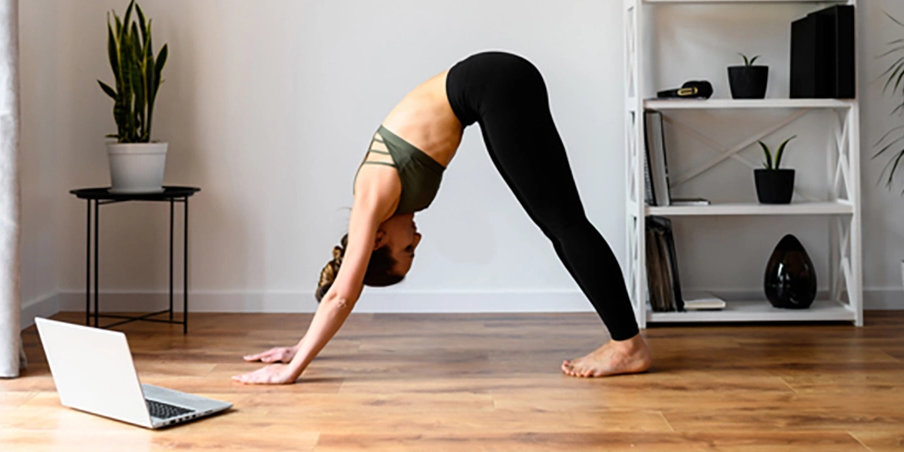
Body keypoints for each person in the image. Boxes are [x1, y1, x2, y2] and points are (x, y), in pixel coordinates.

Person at [233, 51, 651, 384]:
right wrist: (302, 343)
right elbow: (342, 287)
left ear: (378, 241)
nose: (418, 239)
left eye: (408, 249)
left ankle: (627, 346)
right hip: (497, 81)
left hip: (494, 83)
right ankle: (626, 343)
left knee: (564, 225)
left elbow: (344, 292)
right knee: (563, 223)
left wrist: (294, 368)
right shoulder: (381, 205)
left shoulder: (371, 199)